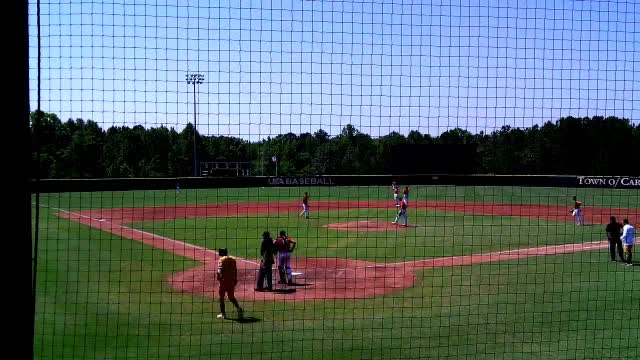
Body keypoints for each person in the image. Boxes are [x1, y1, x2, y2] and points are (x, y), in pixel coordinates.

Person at [216, 248, 244, 319]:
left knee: (221, 298)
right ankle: (238, 309)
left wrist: (218, 278)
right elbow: (235, 270)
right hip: (231, 281)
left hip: (224, 282)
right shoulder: (233, 259)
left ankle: (223, 314)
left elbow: (219, 271)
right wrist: (235, 279)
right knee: (231, 297)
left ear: (222, 253)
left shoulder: (221, 260)